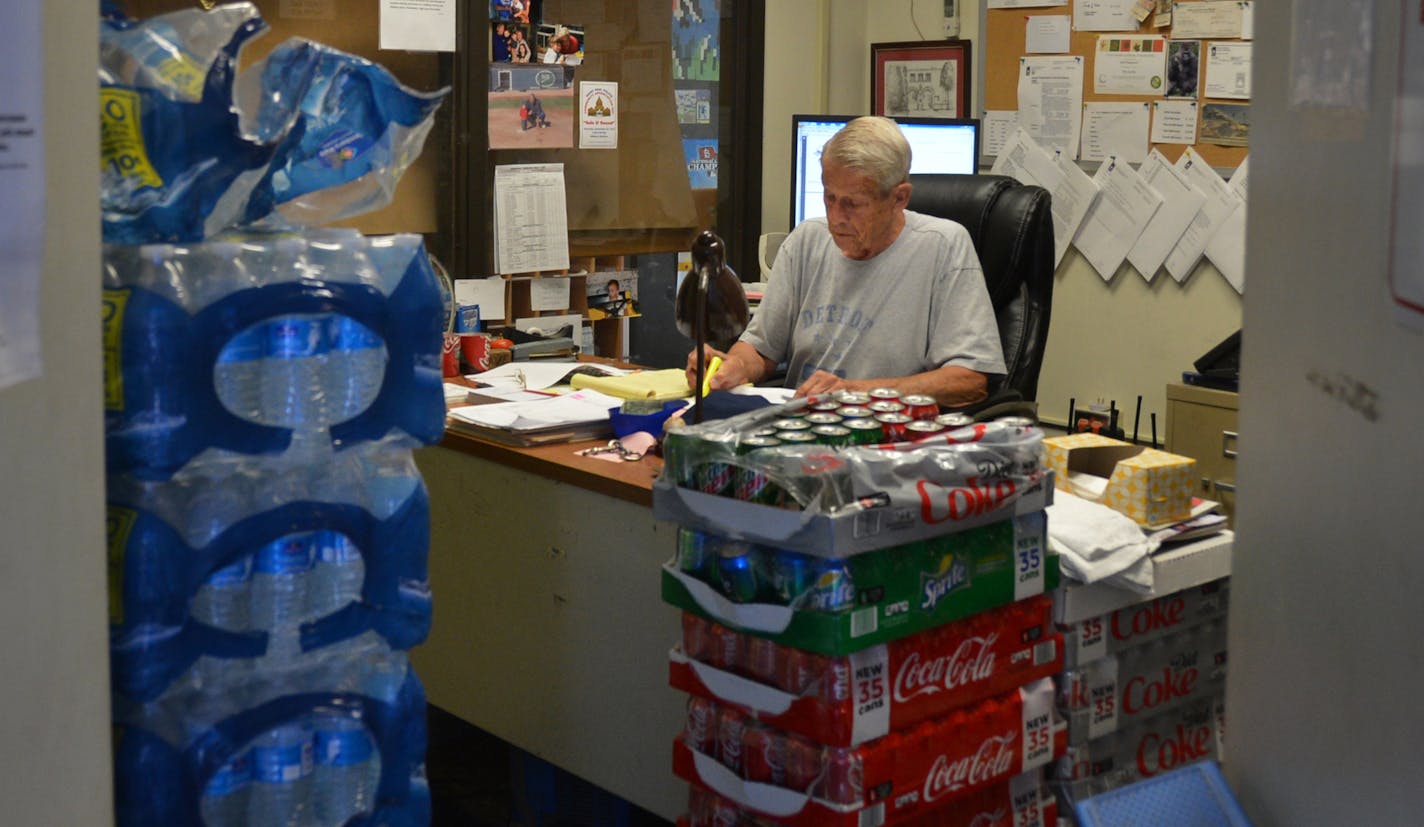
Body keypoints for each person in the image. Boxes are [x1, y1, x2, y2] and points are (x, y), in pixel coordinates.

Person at [685, 116, 1004, 407]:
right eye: (829, 197)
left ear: (899, 198)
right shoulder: (807, 240)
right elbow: (761, 348)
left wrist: (859, 391)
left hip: (890, 436)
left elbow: (970, 380)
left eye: (853, 204)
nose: (836, 217)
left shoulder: (943, 247)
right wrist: (733, 367)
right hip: (801, 426)